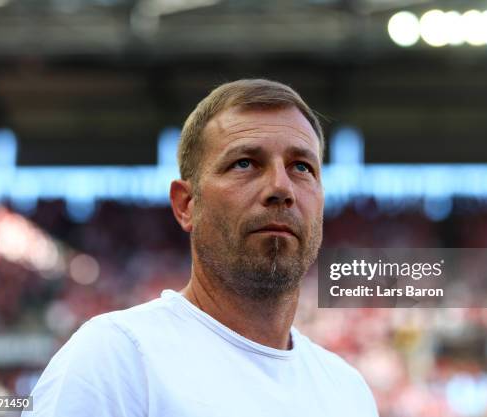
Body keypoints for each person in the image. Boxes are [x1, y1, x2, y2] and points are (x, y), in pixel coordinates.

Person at [23, 79, 379, 417]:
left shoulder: (347, 391)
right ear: (186, 204)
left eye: (301, 166)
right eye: (245, 163)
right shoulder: (116, 359)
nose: (281, 187)